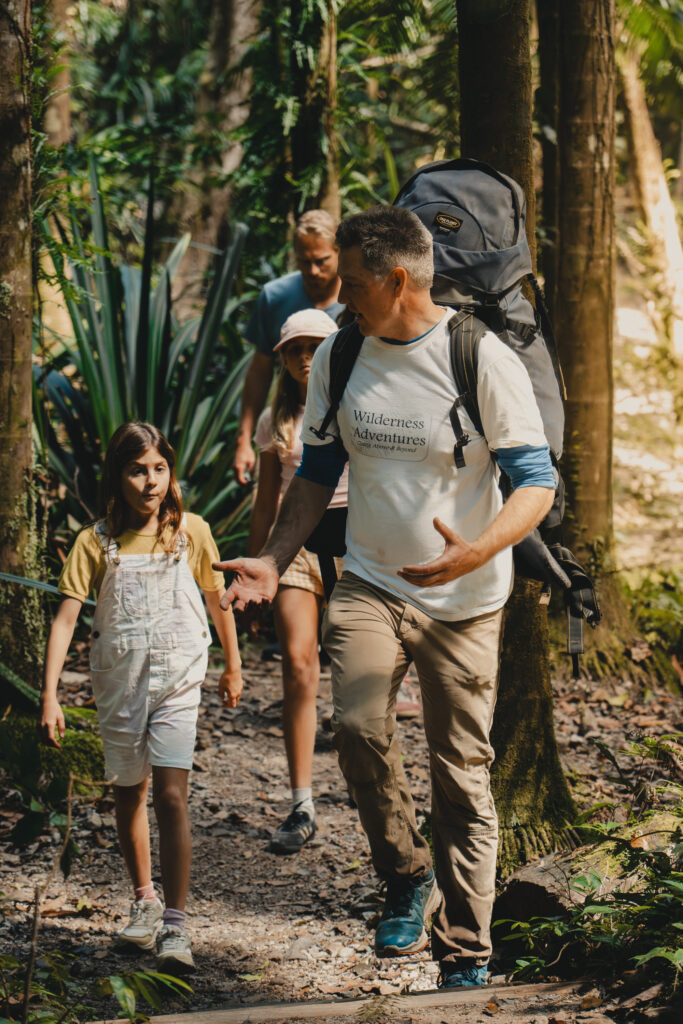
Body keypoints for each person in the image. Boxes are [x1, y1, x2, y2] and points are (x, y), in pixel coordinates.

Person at [214, 205, 556, 989]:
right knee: (360, 727)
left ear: (397, 279)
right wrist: (271, 558)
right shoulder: (340, 354)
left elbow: (535, 481)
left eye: (355, 285)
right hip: (369, 581)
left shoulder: (479, 358)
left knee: (461, 774)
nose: (343, 301)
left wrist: (479, 547)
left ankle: (465, 950)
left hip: (465, 598)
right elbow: (316, 472)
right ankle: (404, 873)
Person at [40, 422, 243, 973]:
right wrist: (51, 695)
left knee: (171, 796)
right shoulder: (94, 542)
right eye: (137, 470)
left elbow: (216, 597)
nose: (150, 482)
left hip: (179, 678)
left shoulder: (192, 533)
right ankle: (145, 900)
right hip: (119, 683)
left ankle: (176, 924)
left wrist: (233, 665)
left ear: (169, 472)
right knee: (128, 791)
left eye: (158, 468)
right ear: (118, 475)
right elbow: (66, 621)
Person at [249, 308, 347, 853]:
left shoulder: (355, 404)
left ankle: (366, 776)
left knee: (362, 669)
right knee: (299, 662)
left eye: (315, 346)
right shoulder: (276, 423)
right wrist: (258, 565)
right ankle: (302, 801)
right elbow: (267, 499)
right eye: (294, 349)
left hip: (354, 542)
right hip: (295, 550)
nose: (305, 357)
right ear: (282, 358)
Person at [233, 210, 344, 485]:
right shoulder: (275, 296)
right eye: (304, 262)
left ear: (339, 252)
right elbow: (259, 370)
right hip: (286, 428)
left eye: (321, 261)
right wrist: (245, 439)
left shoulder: (356, 298)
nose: (313, 271)